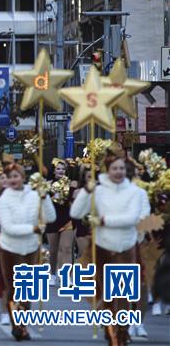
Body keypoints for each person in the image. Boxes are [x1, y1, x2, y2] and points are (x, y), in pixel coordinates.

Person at [70, 146, 150, 346]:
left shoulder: (135, 192)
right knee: (107, 293)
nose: (118, 172)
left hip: (126, 246)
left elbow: (132, 218)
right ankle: (110, 326)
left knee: (123, 291)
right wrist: (86, 192)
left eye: (121, 169)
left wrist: (104, 220)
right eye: (114, 168)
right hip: (103, 246)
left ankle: (122, 330)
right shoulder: (98, 190)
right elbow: (76, 213)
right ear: (107, 170)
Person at [0, 159, 56, 341]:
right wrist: (32, 229)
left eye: (17, 176)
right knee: (13, 288)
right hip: (10, 248)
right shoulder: (4, 199)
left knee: (28, 289)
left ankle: (23, 324)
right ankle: (17, 325)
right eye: (10, 177)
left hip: (31, 247)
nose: (14, 179)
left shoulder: (34, 195)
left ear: (23, 177)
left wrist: (45, 198)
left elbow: (50, 217)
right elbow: (8, 227)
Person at [45, 159, 74, 287]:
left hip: (67, 219)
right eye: (58, 168)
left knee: (67, 248)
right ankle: (52, 274)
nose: (61, 171)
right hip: (52, 219)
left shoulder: (71, 184)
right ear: (54, 170)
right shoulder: (47, 184)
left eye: (63, 169)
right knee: (53, 249)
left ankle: (66, 276)